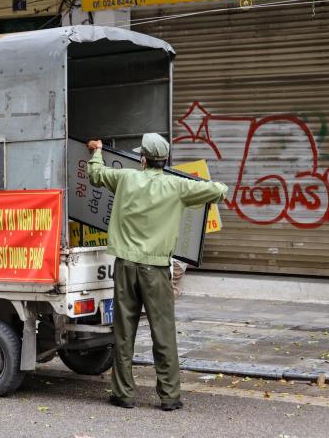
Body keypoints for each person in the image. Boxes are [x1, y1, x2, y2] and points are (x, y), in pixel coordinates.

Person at [86, 133, 227, 411]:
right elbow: (218, 191)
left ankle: (124, 394)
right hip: (157, 269)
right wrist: (212, 186)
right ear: (165, 161)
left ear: (143, 159)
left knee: (124, 332)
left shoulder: (125, 178)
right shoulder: (177, 186)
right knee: (163, 332)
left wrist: (98, 151)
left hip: (125, 265)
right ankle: (169, 397)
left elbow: (96, 174)